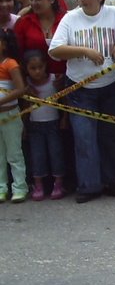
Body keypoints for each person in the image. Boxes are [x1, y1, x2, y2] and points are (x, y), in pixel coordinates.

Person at [49, 0, 115, 202]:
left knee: (112, 136)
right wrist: (84, 50)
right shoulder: (70, 18)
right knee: (84, 138)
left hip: (112, 85)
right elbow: (55, 50)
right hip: (79, 88)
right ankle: (88, 185)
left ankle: (112, 180)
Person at [22, 50, 66, 200]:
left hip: (53, 124)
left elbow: (64, 102)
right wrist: (24, 126)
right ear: (26, 69)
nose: (37, 71)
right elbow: (26, 107)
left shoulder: (55, 80)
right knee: (37, 155)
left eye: (40, 67)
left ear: (45, 65)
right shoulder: (26, 85)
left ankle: (58, 183)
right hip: (35, 126)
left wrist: (64, 118)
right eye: (32, 68)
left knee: (56, 154)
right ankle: (38, 184)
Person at [14, 0, 66, 78]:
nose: (34, 3)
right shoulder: (24, 23)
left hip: (67, 79)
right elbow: (18, 54)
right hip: (34, 83)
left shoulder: (66, 20)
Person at [0, 27, 28, 202]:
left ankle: (19, 186)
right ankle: (2, 187)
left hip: (10, 114)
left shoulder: (10, 64)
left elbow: (20, 89)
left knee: (14, 153)